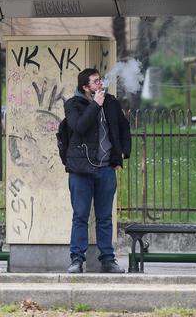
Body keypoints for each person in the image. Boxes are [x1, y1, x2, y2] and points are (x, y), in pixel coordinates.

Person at [63, 68, 131, 273]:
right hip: (81, 171)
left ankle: (108, 259)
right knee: (80, 215)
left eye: (100, 80)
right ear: (85, 87)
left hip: (105, 169)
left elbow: (123, 128)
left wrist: (121, 156)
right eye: (95, 82)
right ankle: (77, 259)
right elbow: (79, 126)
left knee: (104, 218)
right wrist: (95, 105)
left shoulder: (110, 103)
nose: (100, 84)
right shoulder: (73, 104)